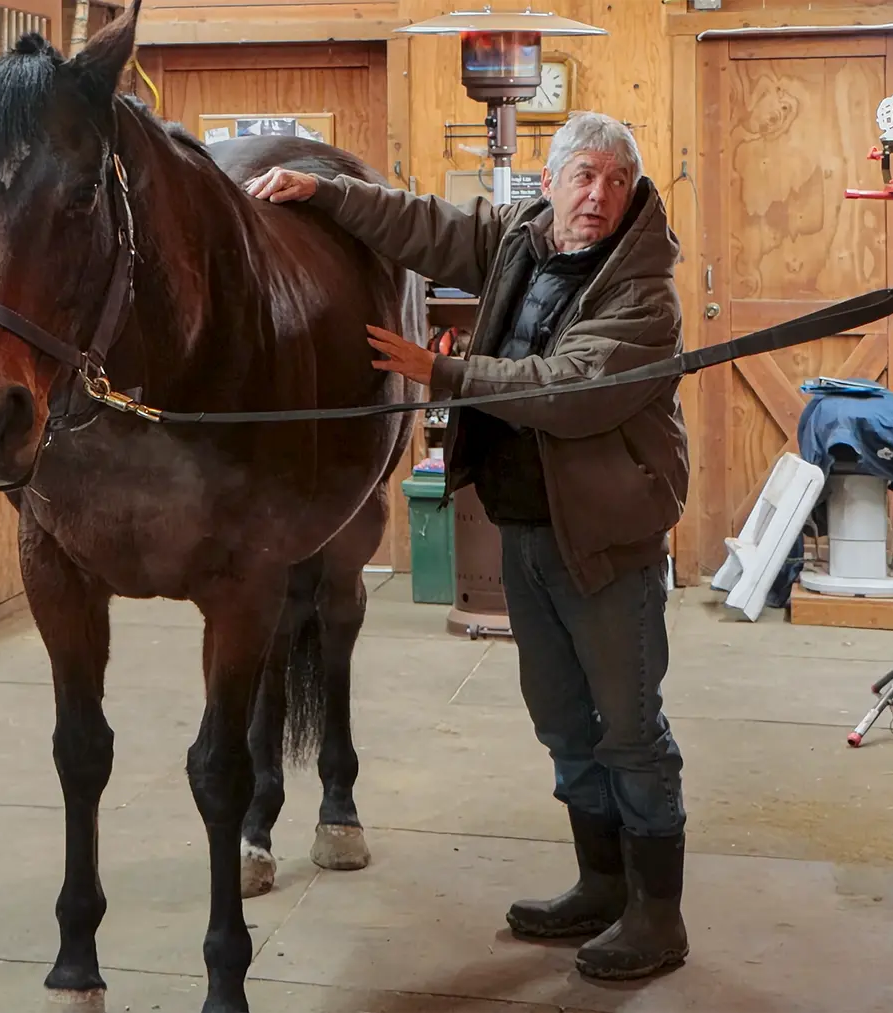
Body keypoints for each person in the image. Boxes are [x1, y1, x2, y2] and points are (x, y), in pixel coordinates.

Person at [245, 111, 689, 981]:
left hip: (605, 541)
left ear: (632, 191)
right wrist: (325, 191)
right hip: (525, 528)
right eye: (581, 176)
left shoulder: (644, 292)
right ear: (552, 183)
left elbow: (567, 389)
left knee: (630, 731)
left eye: (613, 180)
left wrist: (442, 372)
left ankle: (656, 914)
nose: (596, 195)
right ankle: (600, 885)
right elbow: (425, 225)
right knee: (564, 725)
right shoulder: (523, 240)